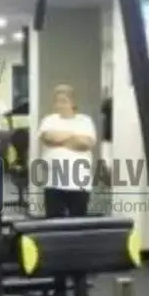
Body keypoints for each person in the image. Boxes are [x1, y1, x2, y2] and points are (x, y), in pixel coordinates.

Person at [38, 84, 97, 218]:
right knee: (53, 222)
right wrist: (73, 136)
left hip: (79, 183)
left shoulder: (85, 121)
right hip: (54, 183)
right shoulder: (49, 120)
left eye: (64, 101)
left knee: (77, 223)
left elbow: (85, 143)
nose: (60, 105)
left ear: (73, 102)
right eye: (57, 101)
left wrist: (60, 139)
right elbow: (48, 138)